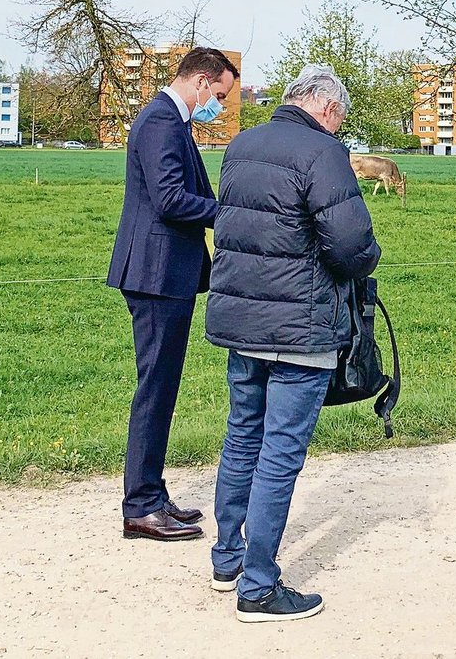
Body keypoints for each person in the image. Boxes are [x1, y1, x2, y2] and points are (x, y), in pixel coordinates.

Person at [205, 64, 380, 622]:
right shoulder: (324, 151)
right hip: (299, 327)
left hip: (242, 321)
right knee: (280, 453)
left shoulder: (241, 145)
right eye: (340, 117)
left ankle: (228, 558)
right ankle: (258, 588)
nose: (339, 125)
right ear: (327, 107)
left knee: (242, 438)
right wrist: (368, 263)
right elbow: (350, 243)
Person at [107, 47, 239, 541]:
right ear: (201, 81)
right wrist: (231, 214)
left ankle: (152, 495)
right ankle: (141, 506)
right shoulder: (162, 120)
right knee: (155, 390)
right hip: (156, 275)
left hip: (165, 274)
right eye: (219, 94)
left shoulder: (171, 120)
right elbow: (169, 200)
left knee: (161, 388)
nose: (219, 105)